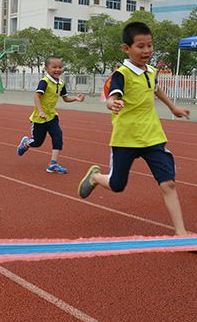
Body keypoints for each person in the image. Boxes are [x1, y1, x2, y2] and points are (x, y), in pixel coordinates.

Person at [77, 22, 190, 236]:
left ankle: (181, 232)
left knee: (168, 184)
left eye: (149, 45)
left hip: (152, 136)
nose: (147, 51)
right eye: (140, 46)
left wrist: (173, 108)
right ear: (126, 48)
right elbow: (113, 95)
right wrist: (112, 103)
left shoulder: (152, 71)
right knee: (117, 185)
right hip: (125, 138)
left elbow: (156, 89)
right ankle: (95, 177)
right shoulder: (121, 74)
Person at [17, 56, 85, 173]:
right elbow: (36, 96)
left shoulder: (61, 83)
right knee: (37, 142)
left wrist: (76, 98)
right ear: (46, 69)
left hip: (52, 116)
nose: (58, 69)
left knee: (58, 136)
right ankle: (26, 142)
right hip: (39, 118)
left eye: (60, 67)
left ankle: (53, 164)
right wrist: (41, 111)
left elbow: (65, 98)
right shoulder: (45, 82)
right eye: (54, 67)